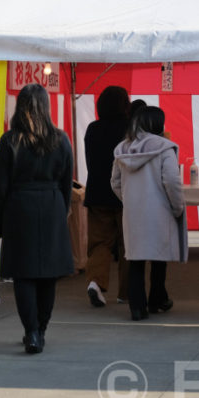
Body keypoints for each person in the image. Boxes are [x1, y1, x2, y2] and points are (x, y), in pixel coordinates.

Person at [0, 83, 74, 354]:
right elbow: (66, 182)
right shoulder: (61, 139)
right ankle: (42, 329)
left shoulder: (10, 140)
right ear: (46, 108)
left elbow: (0, 186)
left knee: (23, 274)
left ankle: (32, 332)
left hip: (19, 207)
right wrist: (63, 210)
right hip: (51, 205)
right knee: (48, 274)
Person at [111, 106, 186, 321]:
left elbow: (115, 182)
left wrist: (129, 200)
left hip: (133, 213)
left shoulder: (121, 149)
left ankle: (137, 307)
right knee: (158, 258)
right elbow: (172, 181)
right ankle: (156, 300)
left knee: (135, 259)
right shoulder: (165, 148)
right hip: (160, 211)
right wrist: (177, 206)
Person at [82, 86, 131, 308]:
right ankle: (126, 292)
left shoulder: (92, 129)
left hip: (97, 193)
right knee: (127, 244)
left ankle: (96, 283)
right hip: (124, 194)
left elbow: (90, 161)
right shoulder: (130, 129)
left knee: (99, 243)